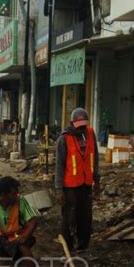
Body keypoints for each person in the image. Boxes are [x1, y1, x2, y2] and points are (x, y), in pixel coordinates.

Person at [55, 107, 101, 254]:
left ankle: (83, 246)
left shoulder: (91, 134)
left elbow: (96, 159)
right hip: (70, 186)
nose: (82, 128)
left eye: (84, 125)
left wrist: (97, 180)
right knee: (69, 217)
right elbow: (59, 166)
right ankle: (68, 247)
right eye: (79, 125)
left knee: (85, 216)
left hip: (86, 184)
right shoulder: (64, 139)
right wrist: (59, 189)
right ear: (72, 123)